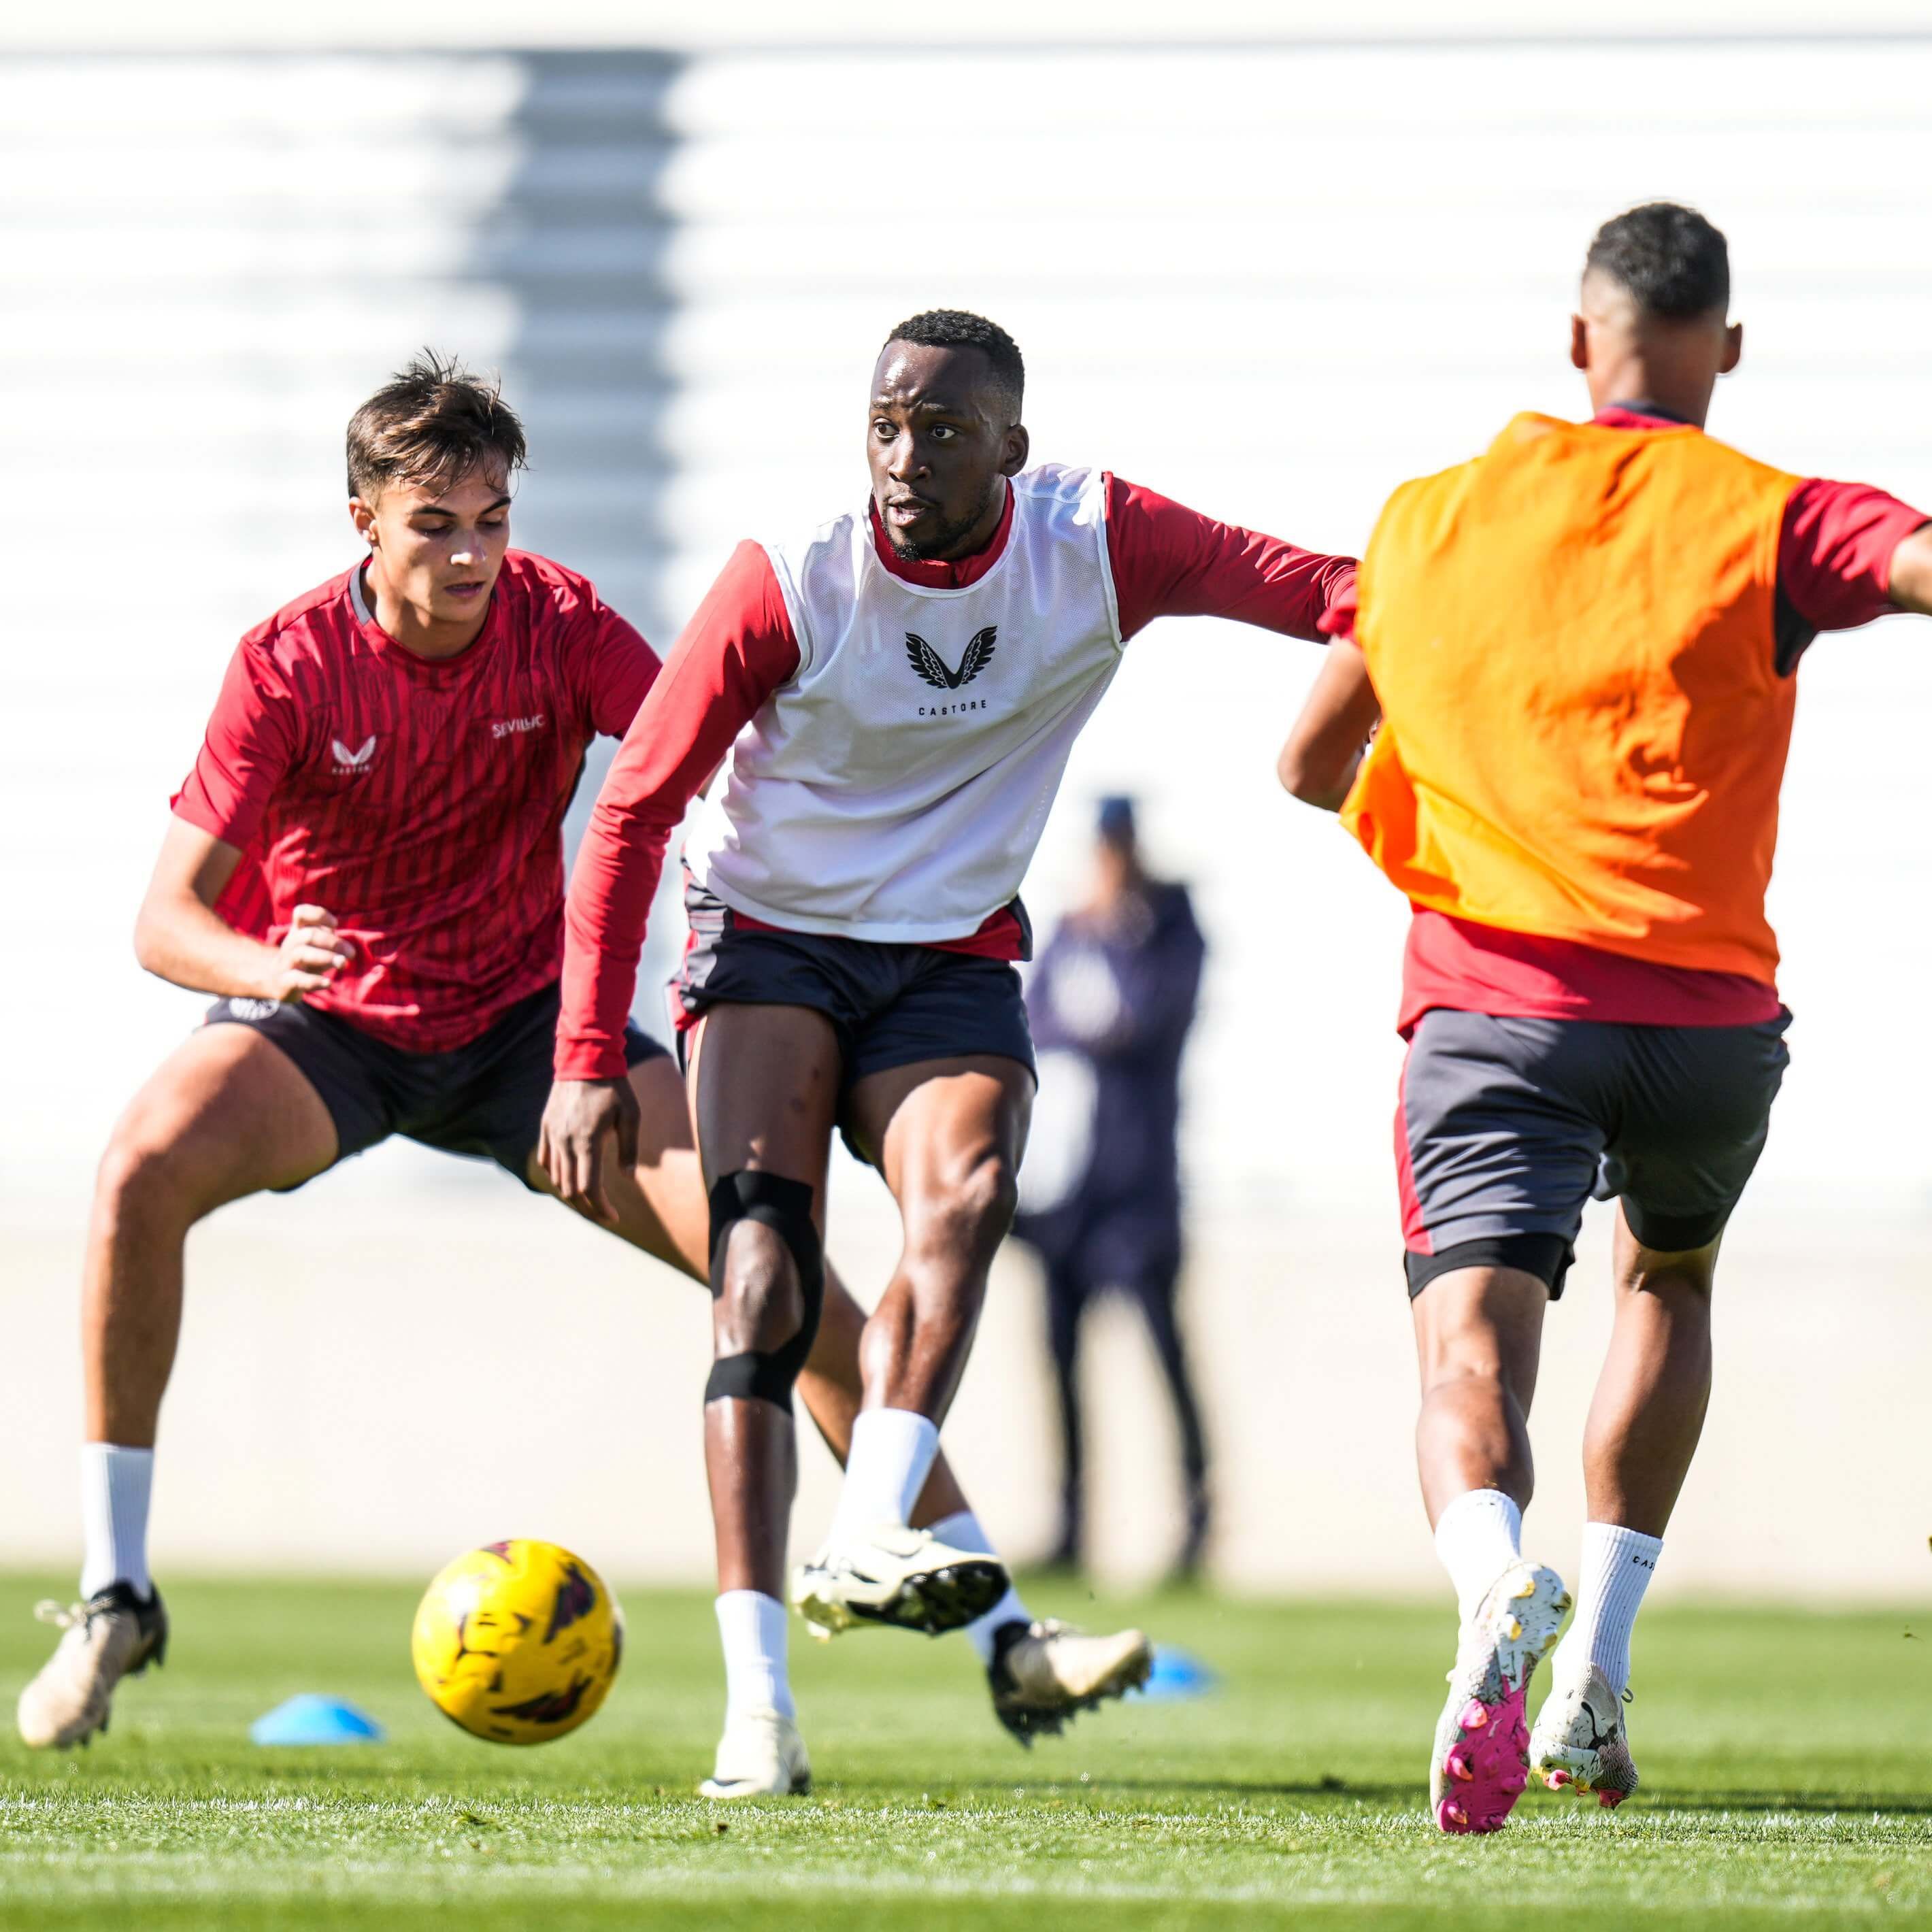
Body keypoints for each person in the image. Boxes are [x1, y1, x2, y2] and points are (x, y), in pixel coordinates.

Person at [14, 354, 1140, 1791]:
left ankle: (1004, 1636)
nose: (472, 554)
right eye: (435, 525)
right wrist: (264, 965)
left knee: (778, 1277)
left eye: (492, 519)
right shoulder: (287, 663)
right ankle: (116, 1594)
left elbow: (705, 751)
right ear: (364, 521)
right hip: (331, 1024)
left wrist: (912, 810)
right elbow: (162, 922)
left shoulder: (558, 623)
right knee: (136, 1174)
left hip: (532, 1036)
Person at [542, 307, 1356, 1788]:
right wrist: (588, 1052)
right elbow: (632, 808)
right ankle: (758, 1712)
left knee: (971, 1196)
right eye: (884, 425)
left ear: (1011, 451)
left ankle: (873, 1533)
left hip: (947, 950)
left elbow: (1327, 594)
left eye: (941, 430)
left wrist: (1481, 612)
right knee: (763, 1284)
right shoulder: (792, 576)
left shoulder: (1097, 544)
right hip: (769, 932)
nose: (904, 456)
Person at [1278, 203, 1932, 1833]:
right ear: (1725, 347)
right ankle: (1596, 1675)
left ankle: (1491, 1582)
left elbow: (1303, 762)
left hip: (1496, 1004)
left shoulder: (1428, 520)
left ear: (1577, 341)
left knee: (1467, 1349)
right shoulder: (1766, 514)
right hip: (1706, 1026)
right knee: (1666, 1277)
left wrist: (1450, 823)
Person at [1012, 797, 1211, 1576]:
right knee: (1058, 1360)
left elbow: (1144, 1020)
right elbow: (1033, 1025)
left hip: (1140, 1185)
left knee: (1165, 1353)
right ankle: (1068, 1527)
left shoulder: (1169, 931)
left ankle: (1195, 1522)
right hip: (1067, 1192)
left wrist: (1118, 938)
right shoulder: (1070, 932)